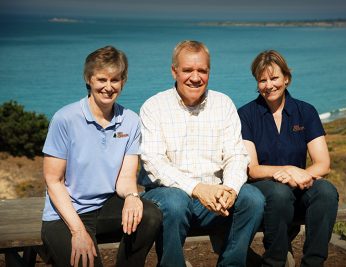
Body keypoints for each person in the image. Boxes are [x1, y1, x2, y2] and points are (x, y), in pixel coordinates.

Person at [138, 40, 265, 267]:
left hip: (216, 196)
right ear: (174, 71)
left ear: (209, 72)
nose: (195, 78)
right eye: (187, 70)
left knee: (253, 199)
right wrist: (197, 189)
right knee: (176, 202)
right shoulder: (154, 106)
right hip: (168, 195)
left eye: (202, 71)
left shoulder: (223, 104)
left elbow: (236, 154)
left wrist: (232, 190)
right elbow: (154, 162)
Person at [41, 46, 162, 267]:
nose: (108, 87)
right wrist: (77, 231)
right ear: (88, 79)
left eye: (115, 80)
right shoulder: (65, 119)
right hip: (66, 213)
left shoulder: (130, 121)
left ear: (123, 81)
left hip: (106, 207)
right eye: (101, 79)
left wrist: (133, 197)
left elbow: (125, 179)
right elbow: (53, 181)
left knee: (150, 214)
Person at [238, 50, 339, 267]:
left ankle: (313, 263)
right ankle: (274, 262)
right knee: (279, 192)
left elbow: (323, 164)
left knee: (326, 191)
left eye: (274, 78)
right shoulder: (245, 115)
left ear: (286, 78)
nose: (269, 85)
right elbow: (252, 169)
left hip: (300, 186)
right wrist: (286, 170)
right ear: (257, 83)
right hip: (264, 189)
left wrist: (298, 174)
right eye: (262, 80)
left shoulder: (306, 111)